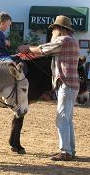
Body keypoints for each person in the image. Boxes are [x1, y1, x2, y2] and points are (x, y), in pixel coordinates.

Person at [18, 15, 80, 161]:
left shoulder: (64, 40)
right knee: (67, 118)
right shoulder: (71, 41)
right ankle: (70, 149)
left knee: (62, 118)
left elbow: (43, 49)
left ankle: (65, 152)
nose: (52, 32)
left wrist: (26, 48)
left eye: (54, 29)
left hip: (66, 84)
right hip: (70, 84)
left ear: (60, 29)